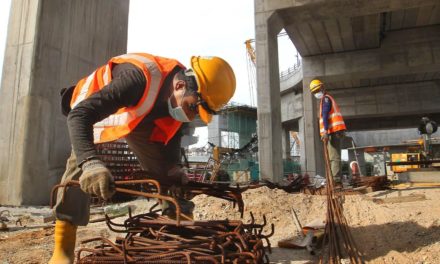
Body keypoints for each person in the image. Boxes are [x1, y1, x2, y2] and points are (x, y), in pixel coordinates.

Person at [49, 53, 236, 264]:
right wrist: (90, 163)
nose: (192, 116)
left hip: (139, 116)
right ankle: (63, 249)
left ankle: (180, 234)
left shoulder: (177, 102)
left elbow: (172, 133)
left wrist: (173, 168)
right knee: (79, 169)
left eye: (199, 113)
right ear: (180, 85)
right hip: (91, 109)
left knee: (170, 179)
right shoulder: (137, 80)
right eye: (193, 107)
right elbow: (79, 116)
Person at [309, 79, 346, 186]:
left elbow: (325, 114)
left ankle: (335, 180)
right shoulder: (325, 100)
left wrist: (325, 131)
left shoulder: (326, 99)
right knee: (331, 157)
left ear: (322, 87)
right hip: (333, 132)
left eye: (317, 90)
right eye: (314, 92)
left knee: (334, 157)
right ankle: (332, 179)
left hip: (333, 132)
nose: (316, 93)